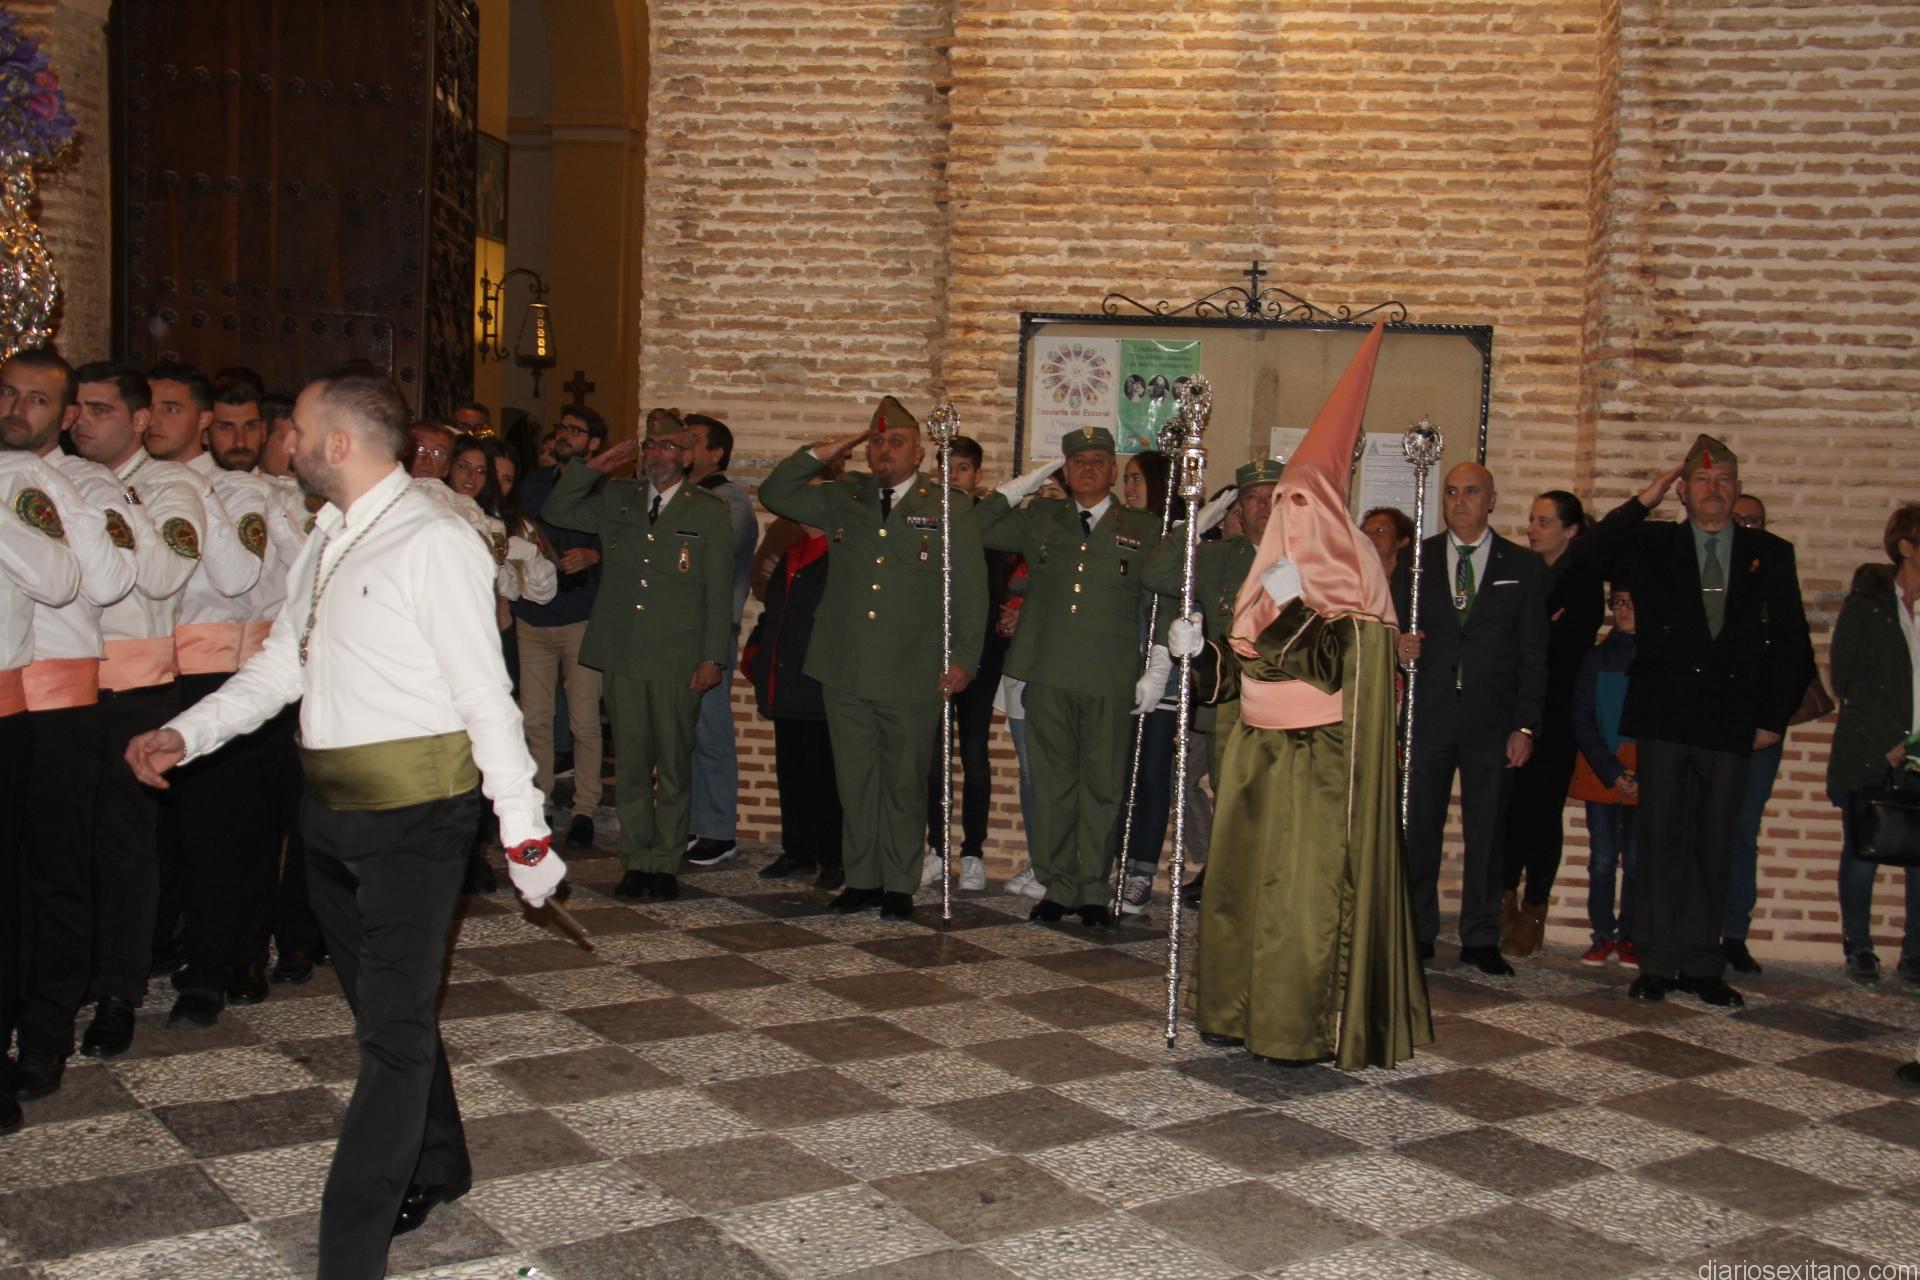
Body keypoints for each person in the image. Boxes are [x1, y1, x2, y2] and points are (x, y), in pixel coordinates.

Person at [125, 365, 563, 1278]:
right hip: (327, 812)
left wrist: (523, 830)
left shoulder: (434, 540)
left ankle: (347, 1256)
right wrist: (187, 732)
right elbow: (282, 666)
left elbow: (487, 696)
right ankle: (438, 1162)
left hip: (416, 821)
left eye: (296, 426)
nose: (281, 440)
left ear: (336, 442)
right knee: (382, 1011)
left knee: (390, 1037)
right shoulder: (329, 534)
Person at [1193, 322, 1430, 1069]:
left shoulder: (1352, 563)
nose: (1288, 513)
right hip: (1255, 752)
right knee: (1240, 891)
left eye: (1301, 499)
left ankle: (1297, 1025)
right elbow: (1242, 665)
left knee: (1299, 898)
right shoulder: (1268, 566)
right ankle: (1233, 1011)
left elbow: (1348, 659)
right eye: (1279, 501)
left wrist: (1291, 606)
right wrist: (1195, 653)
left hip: (1318, 756)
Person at [1571, 435, 1814, 1008]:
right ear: (1682, 490)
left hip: (1731, 721)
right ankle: (1655, 963)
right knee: (1657, 844)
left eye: (1724, 480)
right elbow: (1586, 556)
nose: (1714, 489)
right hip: (1664, 716)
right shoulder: (1652, 543)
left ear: (1737, 488)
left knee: (1715, 844)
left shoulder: (1770, 553)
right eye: (1702, 480)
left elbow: (1792, 643)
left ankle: (1704, 965)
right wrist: (1643, 500)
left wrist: (1772, 717)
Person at [758, 397, 986, 922]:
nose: (885, 450)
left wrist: (964, 658)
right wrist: (825, 451)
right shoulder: (844, 496)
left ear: (920, 453)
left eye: (896, 442)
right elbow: (776, 493)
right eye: (877, 441)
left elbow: (971, 591)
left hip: (913, 668)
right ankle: (863, 878)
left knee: (904, 783)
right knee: (855, 780)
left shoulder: (949, 506)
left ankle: (899, 884)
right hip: (846, 665)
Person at [0, 351, 140, 1105]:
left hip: (56, 702)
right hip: (8, 697)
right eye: (8, 394)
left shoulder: (82, 484)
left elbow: (104, 581)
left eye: (37, 399)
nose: (18, 410)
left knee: (55, 873)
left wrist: (60, 490)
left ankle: (45, 1035)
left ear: (65, 415)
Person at [542, 409, 733, 901]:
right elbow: (558, 509)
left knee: (673, 765)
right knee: (629, 765)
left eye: (668, 446)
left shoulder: (708, 510)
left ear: (687, 457)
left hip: (677, 658)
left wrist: (712, 657)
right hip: (624, 653)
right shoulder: (619, 498)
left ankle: (665, 862)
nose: (657, 455)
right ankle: (635, 860)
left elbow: (718, 591)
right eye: (651, 446)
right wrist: (596, 467)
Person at [977, 428, 1162, 926]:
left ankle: (1094, 888)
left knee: (1103, 787)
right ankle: (1058, 884)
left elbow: (1163, 595)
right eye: (1078, 461)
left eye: (1099, 460)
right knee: (1053, 785)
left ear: (1112, 471)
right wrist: (1021, 485)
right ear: (1064, 469)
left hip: (1110, 676)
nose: (1088, 468)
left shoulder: (1142, 527)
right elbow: (976, 526)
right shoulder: (1040, 517)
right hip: (1049, 671)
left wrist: (1159, 664)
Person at [145, 362, 277, 1024]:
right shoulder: (132, 483)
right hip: (149, 672)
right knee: (163, 831)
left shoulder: (238, 491)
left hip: (221, 672)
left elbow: (241, 585)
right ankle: (163, 943)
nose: (154, 420)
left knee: (225, 830)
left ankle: (220, 962)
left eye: (170, 408)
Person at [1393, 462, 1547, 973]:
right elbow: (1391, 627)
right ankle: (1417, 929)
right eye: (1452, 492)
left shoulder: (1522, 566)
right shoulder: (1416, 560)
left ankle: (1480, 936)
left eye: (1472, 492)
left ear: (1492, 500)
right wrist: (1399, 647)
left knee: (1488, 830)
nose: (1460, 501)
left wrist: (1525, 725)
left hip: (1492, 720)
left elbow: (1534, 654)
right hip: (1430, 714)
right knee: (1419, 828)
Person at [1144, 464, 1278, 908]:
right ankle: (1228, 882)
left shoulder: (1310, 557)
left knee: (1279, 801)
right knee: (1228, 796)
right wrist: (1199, 520)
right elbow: (1158, 573)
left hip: (1290, 705)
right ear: (1239, 508)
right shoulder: (1220, 557)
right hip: (1229, 703)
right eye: (1252, 498)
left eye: (1272, 497)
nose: (1262, 506)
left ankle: (1270, 886)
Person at [1498, 490, 1605, 955]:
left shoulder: (1584, 581)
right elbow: (1508, 637)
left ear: (1571, 530)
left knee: (1543, 812)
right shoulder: (1522, 571)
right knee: (1508, 808)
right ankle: (1504, 898)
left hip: (1558, 716)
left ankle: (1534, 910)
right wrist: (1542, 623)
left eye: (1544, 522)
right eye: (1531, 520)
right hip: (1514, 709)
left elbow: (1561, 649)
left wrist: (1535, 627)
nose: (1532, 530)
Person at [1827, 503, 1920, 989]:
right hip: (1870, 748)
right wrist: (1889, 741)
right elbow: (1846, 679)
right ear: (1907, 547)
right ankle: (1860, 947)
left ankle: (1915, 954)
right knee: (1863, 849)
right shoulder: (1868, 604)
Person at [743, 475, 844, 891]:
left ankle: (834, 858)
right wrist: (758, 653)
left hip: (820, 684)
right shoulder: (793, 552)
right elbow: (774, 610)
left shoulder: (843, 555)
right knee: (792, 774)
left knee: (826, 779)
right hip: (785, 680)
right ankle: (798, 850)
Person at [922, 435, 1013, 893]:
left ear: (977, 475)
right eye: (945, 467)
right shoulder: (922, 518)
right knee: (934, 755)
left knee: (974, 752)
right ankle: (937, 849)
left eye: (961, 468)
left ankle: (972, 852)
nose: (951, 476)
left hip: (980, 652)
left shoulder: (988, 522)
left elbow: (1005, 584)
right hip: (929, 651)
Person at [513, 406, 607, 849]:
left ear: (595, 444)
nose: (565, 434)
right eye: (562, 427)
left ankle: (586, 807)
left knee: (584, 720)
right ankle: (542, 802)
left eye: (576, 430)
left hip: (581, 617)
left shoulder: (607, 490)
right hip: (533, 616)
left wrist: (595, 556)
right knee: (535, 718)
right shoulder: (534, 483)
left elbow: (627, 546)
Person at [683, 412, 757, 867]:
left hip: (711, 629)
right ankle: (690, 821)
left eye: (693, 440)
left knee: (710, 730)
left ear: (716, 453)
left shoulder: (730, 500)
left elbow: (710, 559)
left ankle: (718, 830)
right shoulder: (678, 496)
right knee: (681, 730)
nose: (683, 447)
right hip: (676, 631)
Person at [1719, 492, 1783, 974]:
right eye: (1737, 519)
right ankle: (1691, 930)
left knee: (1742, 832)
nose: (1745, 527)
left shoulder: (1775, 580)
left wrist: (1771, 720)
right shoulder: (1705, 575)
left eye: (1754, 521)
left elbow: (1790, 656)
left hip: (1757, 731)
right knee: (1695, 830)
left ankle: (1734, 934)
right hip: (1706, 727)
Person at [1569, 588, 1639, 967]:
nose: (1624, 610)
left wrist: (1642, 772)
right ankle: (1602, 934)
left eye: (1631, 602)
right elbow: (1581, 717)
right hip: (1602, 769)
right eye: (1618, 603)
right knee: (1603, 859)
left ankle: (1630, 935)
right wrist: (1612, 770)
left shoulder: (1661, 657)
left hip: (1644, 771)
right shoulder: (1596, 658)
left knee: (1638, 860)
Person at [1361, 506, 1415, 577]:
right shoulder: (1353, 578)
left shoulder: (1414, 580)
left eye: (1379, 530)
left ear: (1403, 542)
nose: (1369, 536)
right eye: (1364, 532)